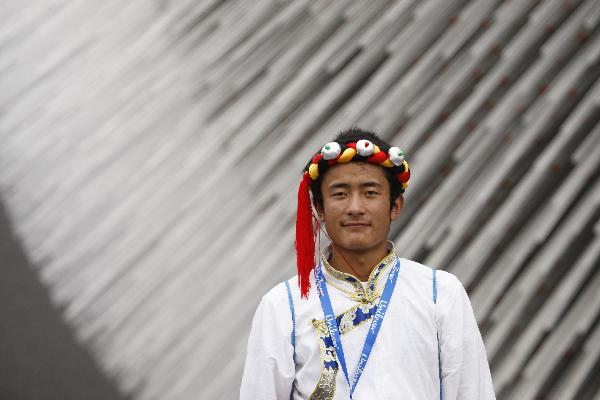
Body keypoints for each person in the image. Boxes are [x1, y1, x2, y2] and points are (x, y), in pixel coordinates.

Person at [240, 128, 496, 399]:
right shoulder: (283, 306)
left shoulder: (440, 293)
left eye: (370, 193)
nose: (355, 207)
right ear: (320, 208)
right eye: (340, 194)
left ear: (395, 205)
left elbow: (472, 392)